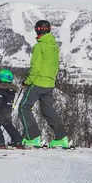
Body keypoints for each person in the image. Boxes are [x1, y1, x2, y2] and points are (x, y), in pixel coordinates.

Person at [18, 20, 70, 148]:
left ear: (38, 30)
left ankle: (33, 137)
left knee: (24, 107)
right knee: (48, 110)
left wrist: (27, 81)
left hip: (37, 83)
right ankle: (62, 138)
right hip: (49, 84)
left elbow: (35, 68)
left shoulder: (39, 46)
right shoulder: (54, 46)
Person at [0, 69, 23, 148]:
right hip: (8, 111)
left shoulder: (0, 90)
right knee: (8, 125)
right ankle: (18, 141)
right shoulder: (11, 90)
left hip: (1, 111)